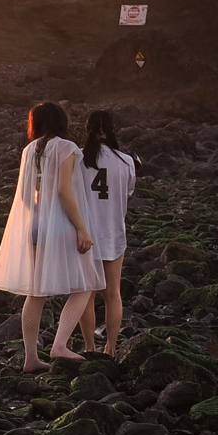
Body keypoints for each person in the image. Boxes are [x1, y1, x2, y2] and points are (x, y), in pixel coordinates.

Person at [0, 101, 103, 372]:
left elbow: (26, 198)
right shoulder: (67, 148)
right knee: (85, 285)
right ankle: (59, 345)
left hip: (36, 225)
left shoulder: (29, 150)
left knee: (36, 291)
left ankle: (31, 358)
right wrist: (81, 228)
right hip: (61, 225)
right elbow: (65, 191)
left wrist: (41, 213)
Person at [74, 109, 138, 356]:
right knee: (113, 293)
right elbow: (128, 193)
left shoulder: (78, 159)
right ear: (112, 129)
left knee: (86, 295)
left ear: (87, 129)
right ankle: (110, 347)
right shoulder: (126, 161)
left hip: (84, 235)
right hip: (113, 233)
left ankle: (89, 347)